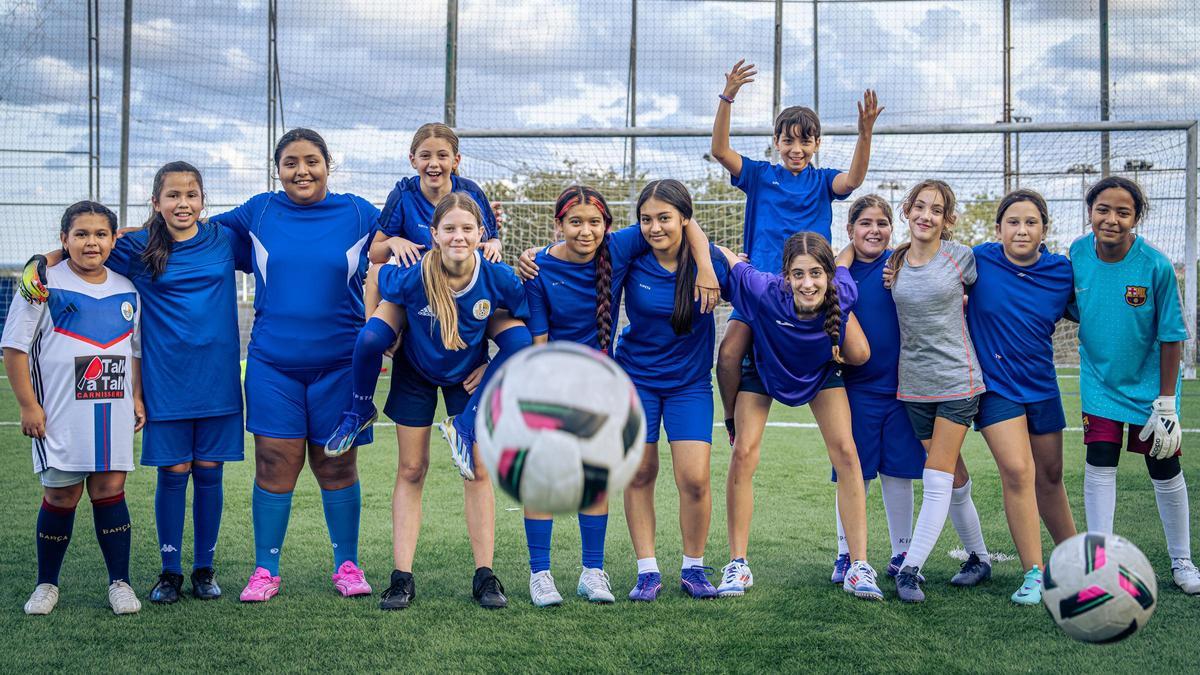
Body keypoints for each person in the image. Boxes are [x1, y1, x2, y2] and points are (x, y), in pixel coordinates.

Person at [17, 162, 247, 602]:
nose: (183, 203)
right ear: (155, 203)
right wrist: (40, 261)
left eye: (191, 195)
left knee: (211, 471)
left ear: (203, 200)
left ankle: (205, 569)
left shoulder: (224, 238)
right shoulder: (137, 246)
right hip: (166, 379)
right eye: (173, 195)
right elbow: (85, 247)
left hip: (218, 380)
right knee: (174, 471)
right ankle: (169, 572)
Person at [516, 185, 718, 606]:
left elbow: (680, 217)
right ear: (559, 225)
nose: (585, 231)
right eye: (575, 222)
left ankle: (595, 571)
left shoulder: (619, 247)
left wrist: (709, 265)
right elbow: (538, 340)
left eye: (594, 223)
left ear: (607, 228)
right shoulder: (539, 270)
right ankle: (542, 573)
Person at [327, 192, 527, 610]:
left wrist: (492, 368)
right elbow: (375, 273)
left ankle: (485, 576)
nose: (458, 236)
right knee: (412, 468)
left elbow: (526, 322)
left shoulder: (497, 275)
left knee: (477, 470)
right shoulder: (413, 276)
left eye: (467, 229)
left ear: (481, 234)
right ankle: (402, 577)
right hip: (415, 371)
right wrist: (378, 319)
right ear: (433, 234)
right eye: (449, 229)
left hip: (467, 376)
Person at [208, 128, 377, 602]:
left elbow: (415, 238)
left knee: (337, 465)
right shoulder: (258, 210)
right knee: (274, 462)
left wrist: (485, 237)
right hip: (272, 365)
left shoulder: (359, 212)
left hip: (341, 366)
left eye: (311, 161)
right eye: (290, 163)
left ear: (328, 164)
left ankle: (347, 565)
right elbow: (191, 233)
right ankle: (266, 570)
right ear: (277, 169)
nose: (301, 171)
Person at [709, 59, 882, 444]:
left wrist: (864, 134)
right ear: (776, 141)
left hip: (812, 293)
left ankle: (825, 378)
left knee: (858, 352)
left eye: (806, 141)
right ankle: (731, 416)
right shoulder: (758, 175)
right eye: (788, 140)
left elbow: (853, 179)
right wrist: (728, 97)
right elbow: (719, 150)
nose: (796, 148)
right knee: (728, 354)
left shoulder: (822, 182)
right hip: (762, 289)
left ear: (817, 144)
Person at [711, 231, 882, 601]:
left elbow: (847, 259)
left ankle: (859, 565)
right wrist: (703, 266)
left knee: (847, 453)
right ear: (786, 277)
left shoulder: (844, 292)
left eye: (817, 274)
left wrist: (855, 245)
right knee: (743, 453)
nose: (808, 283)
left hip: (820, 371)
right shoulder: (763, 289)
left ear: (830, 276)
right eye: (799, 274)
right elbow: (727, 257)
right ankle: (738, 564)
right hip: (765, 368)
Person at [3, 201, 144, 615]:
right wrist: (29, 406)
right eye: (81, 234)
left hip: (111, 411)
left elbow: (133, 351)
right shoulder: (41, 285)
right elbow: (14, 350)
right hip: (60, 413)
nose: (91, 243)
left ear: (114, 240)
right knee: (61, 495)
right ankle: (46, 584)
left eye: (101, 234)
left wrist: (136, 395)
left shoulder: (126, 288)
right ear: (63, 240)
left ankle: (120, 582)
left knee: (110, 490)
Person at [1071, 176, 1199, 595]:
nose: (1111, 219)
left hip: (1151, 390)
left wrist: (1166, 403)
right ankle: (1100, 562)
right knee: (1100, 459)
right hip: (1099, 382)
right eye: (1102, 209)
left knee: (1163, 467)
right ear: (1090, 212)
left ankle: (1182, 560)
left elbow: (1172, 335)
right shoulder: (1076, 253)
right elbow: (1073, 304)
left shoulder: (1156, 266)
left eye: (1123, 212)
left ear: (1136, 218)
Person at [618, 179, 731, 601]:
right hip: (637, 381)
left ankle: (694, 568)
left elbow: (754, 289)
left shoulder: (712, 262)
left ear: (685, 219)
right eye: (646, 219)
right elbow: (580, 252)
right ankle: (647, 571)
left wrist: (706, 260)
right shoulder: (631, 257)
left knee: (695, 479)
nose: (654, 227)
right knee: (641, 473)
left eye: (664, 218)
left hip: (689, 385)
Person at [965, 188, 1077, 604]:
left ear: (1044, 229)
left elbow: (1097, 303)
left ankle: (1076, 563)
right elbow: (928, 258)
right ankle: (1035, 573)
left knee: (1050, 477)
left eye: (1031, 222)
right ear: (999, 229)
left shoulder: (1063, 272)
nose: (1022, 229)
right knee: (1017, 471)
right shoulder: (978, 260)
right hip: (996, 388)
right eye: (1013, 222)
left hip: (1042, 386)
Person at [886, 180, 989, 603]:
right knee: (954, 476)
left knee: (936, 474)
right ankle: (979, 558)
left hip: (957, 380)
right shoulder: (894, 263)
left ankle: (909, 569)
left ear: (948, 220)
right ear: (908, 211)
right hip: (913, 386)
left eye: (936, 210)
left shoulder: (961, 258)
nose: (926, 215)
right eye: (920, 207)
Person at [830, 195, 925, 587]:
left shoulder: (903, 265)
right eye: (865, 223)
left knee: (898, 472)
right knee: (855, 472)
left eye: (882, 223)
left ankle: (902, 550)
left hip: (903, 389)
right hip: (857, 389)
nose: (874, 230)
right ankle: (845, 553)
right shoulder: (840, 272)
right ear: (851, 230)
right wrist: (842, 258)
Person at [365, 123, 501, 313]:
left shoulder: (472, 193)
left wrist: (495, 245)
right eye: (425, 155)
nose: (434, 163)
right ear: (413, 160)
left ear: (456, 161)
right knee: (371, 340)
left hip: (467, 293)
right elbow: (375, 255)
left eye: (442, 155)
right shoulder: (403, 195)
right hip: (418, 292)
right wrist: (392, 242)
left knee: (517, 337)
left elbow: (492, 239)